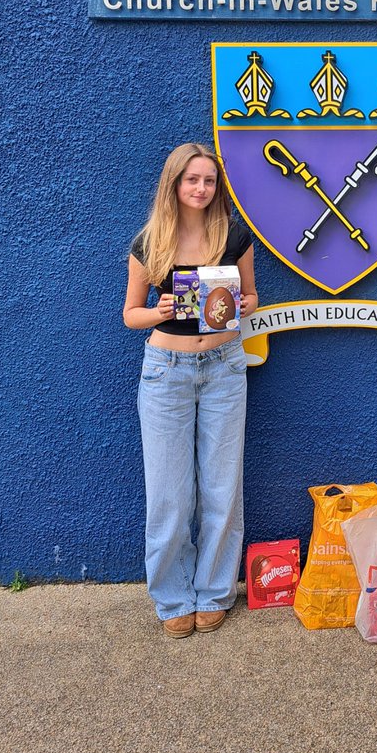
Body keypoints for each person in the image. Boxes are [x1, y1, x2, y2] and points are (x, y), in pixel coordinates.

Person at [123, 143, 258, 638]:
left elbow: (251, 296)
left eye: (208, 181)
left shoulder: (234, 235)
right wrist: (157, 312)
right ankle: (173, 596)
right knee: (169, 494)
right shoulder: (150, 242)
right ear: (173, 184)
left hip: (224, 366)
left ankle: (215, 592)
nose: (201, 189)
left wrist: (243, 302)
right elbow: (130, 314)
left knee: (223, 488)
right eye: (191, 180)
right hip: (166, 372)